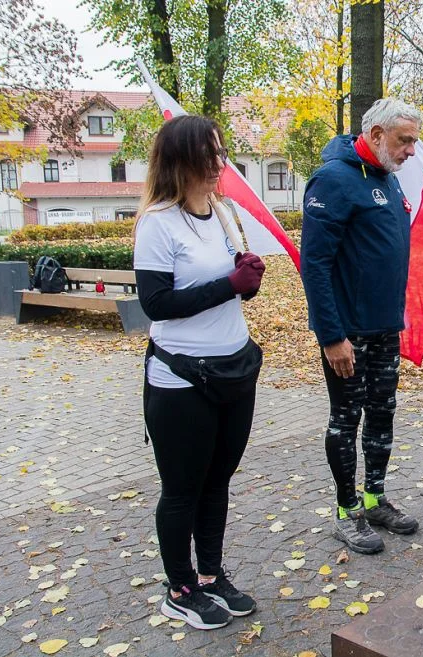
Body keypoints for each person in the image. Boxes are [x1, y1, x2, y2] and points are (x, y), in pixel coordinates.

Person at [133, 114, 266, 629]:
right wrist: (230, 284)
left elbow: (229, 285)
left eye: (221, 152)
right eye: (208, 155)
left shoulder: (223, 212)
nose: (219, 164)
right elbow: (157, 303)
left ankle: (211, 576)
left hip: (234, 369)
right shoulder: (158, 222)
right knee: (183, 487)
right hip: (182, 378)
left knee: (218, 481)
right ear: (180, 161)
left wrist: (247, 282)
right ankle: (179, 587)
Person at [301, 98, 423, 554]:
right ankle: (346, 510)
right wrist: (331, 336)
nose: (411, 149)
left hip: (384, 329)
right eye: (404, 140)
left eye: (413, 141)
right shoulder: (333, 180)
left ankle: (374, 498)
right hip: (347, 335)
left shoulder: (389, 181)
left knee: (383, 413)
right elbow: (314, 265)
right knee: (346, 419)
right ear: (375, 135)